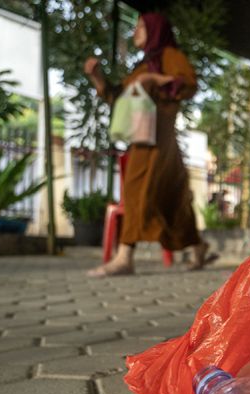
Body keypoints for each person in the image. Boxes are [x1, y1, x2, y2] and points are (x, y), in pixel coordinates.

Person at [84, 13, 211, 276]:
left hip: (159, 139)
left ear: (156, 29)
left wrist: (157, 81)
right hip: (144, 138)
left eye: (141, 27)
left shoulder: (170, 57)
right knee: (173, 199)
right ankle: (198, 246)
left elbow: (189, 84)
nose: (135, 32)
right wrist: (97, 78)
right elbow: (118, 97)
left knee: (135, 189)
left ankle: (124, 257)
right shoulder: (143, 66)